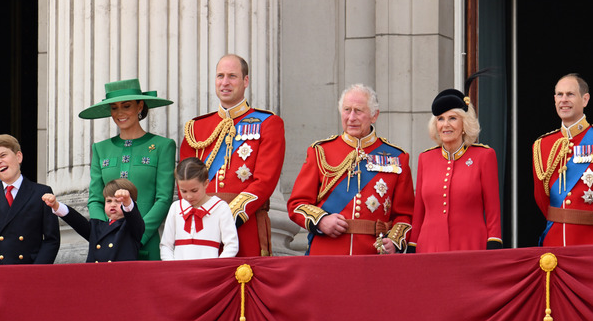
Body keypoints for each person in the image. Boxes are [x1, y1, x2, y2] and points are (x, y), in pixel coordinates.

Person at [287, 83, 414, 255]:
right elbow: (297, 204)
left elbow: (405, 215)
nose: (351, 117)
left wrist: (394, 241)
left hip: (373, 257)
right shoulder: (321, 151)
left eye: (358, 111)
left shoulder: (397, 157)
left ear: (374, 115)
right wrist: (321, 221)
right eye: (347, 110)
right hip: (326, 253)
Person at [179, 54, 285, 257]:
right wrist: (204, 213)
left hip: (244, 224)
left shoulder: (268, 123)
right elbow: (184, 178)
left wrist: (227, 217)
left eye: (232, 76)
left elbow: (265, 181)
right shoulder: (197, 128)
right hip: (201, 224)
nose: (225, 82)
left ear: (245, 81)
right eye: (220, 76)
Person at [79, 78, 176, 260]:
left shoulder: (163, 146)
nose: (120, 113)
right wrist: (104, 232)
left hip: (144, 243)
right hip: (106, 245)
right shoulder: (100, 149)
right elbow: (94, 199)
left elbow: (163, 198)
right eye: (114, 108)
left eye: (126, 106)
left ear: (140, 107)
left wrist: (139, 235)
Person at [408, 81, 502, 252]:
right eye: (440, 119)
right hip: (429, 247)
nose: (446, 124)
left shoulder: (484, 156)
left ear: (464, 124)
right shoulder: (425, 158)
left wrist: (494, 242)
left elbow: (493, 210)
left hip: (471, 246)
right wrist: (412, 245)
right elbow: (419, 212)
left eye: (452, 118)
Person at [532, 73, 593, 246]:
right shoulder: (542, 144)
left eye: (570, 94)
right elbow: (542, 198)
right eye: (560, 94)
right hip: (555, 238)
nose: (564, 99)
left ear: (585, 99)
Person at [0, 134, 59, 265]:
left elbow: (51, 239)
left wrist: (38, 271)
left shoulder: (41, 192)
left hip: (29, 269)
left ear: (18, 156)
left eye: (3, 155)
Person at [42, 178, 145, 262]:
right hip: (95, 278)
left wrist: (127, 203)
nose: (113, 204)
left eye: (118, 201)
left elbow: (134, 219)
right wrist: (56, 205)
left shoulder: (131, 227)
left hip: (120, 279)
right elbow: (77, 221)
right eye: (109, 201)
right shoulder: (97, 227)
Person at [160, 157, 238, 260]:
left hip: (210, 271)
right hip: (179, 271)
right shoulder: (175, 207)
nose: (189, 196)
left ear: (205, 183)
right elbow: (166, 245)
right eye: (184, 191)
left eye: (194, 190)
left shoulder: (221, 207)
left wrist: (216, 267)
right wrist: (172, 266)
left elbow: (232, 245)